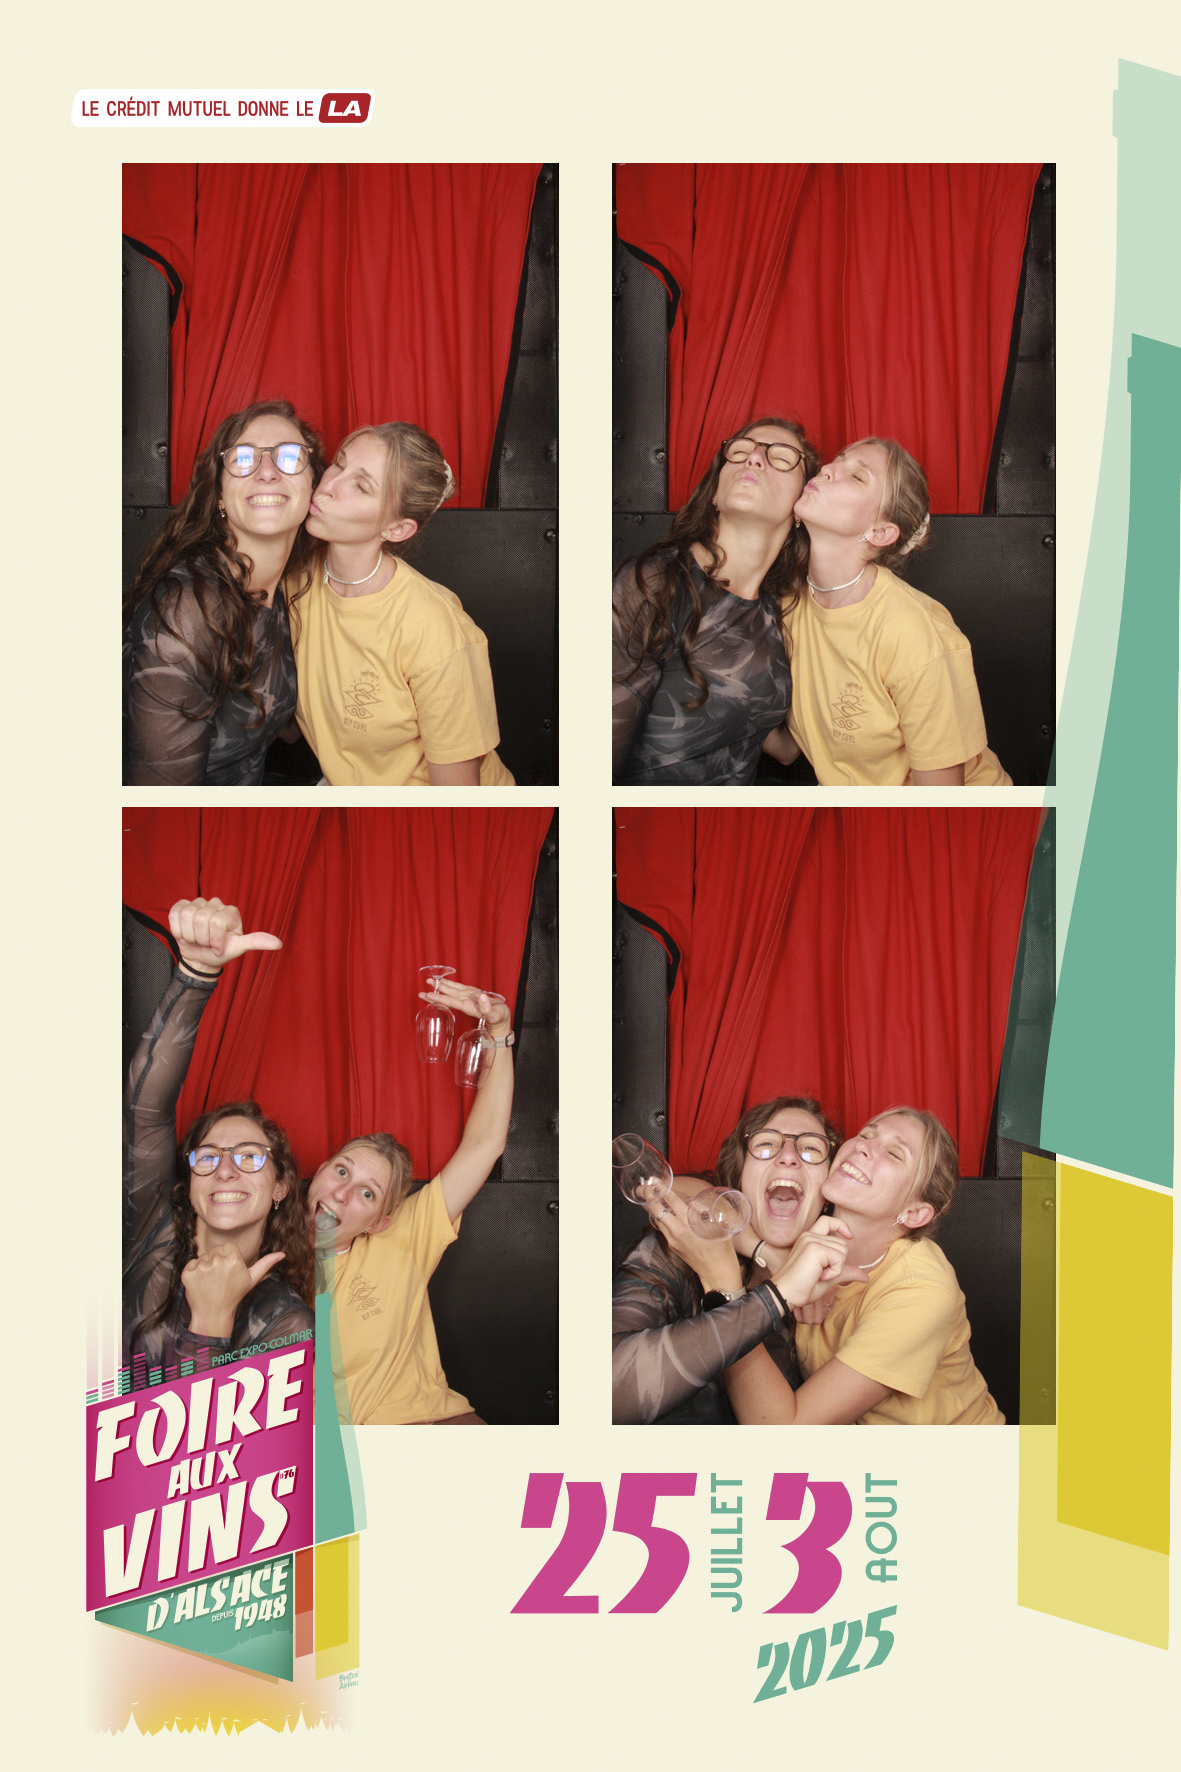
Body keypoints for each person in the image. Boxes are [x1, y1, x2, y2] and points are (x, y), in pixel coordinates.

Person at [307, 974, 516, 1424]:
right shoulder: (263, 1250)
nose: (341, 1193)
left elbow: (484, 1145)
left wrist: (498, 1033)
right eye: (341, 1170)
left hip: (432, 1427)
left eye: (367, 1193)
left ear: (380, 1221)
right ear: (320, 1169)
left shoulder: (402, 1235)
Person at [123, 897, 315, 1374]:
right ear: (190, 1184)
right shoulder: (152, 1231)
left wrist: (212, 1320)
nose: (225, 1169)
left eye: (249, 1156)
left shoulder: (288, 1323)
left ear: (280, 1186)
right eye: (207, 1157)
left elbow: (203, 1428)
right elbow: (145, 1109)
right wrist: (196, 973)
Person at [723, 1108, 1004, 1425]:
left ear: (914, 1213)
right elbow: (690, 1197)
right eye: (866, 1134)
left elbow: (780, 1431)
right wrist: (772, 1255)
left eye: (894, 1154)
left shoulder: (921, 1290)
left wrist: (725, 1292)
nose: (863, 1146)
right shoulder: (811, 1228)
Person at [764, 437, 1010, 786]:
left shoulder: (914, 632)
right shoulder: (790, 603)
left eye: (857, 476)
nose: (828, 469)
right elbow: (790, 748)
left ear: (879, 532)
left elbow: (942, 804)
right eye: (837, 460)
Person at [292, 422, 513, 785]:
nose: (328, 486)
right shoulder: (295, 582)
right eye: (338, 464)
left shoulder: (434, 627)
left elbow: (458, 799)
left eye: (361, 486)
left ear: (396, 529)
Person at [612, 1097, 851, 1424]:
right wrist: (759, 1269)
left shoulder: (837, 1289)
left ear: (828, 1191)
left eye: (811, 1149)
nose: (788, 1157)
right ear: (738, 1177)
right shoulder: (677, 1252)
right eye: (766, 1144)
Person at [124, 401, 324, 785]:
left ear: (313, 485)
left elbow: (283, 723)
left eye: (289, 456)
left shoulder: (290, 590)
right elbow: (162, 804)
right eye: (243, 459)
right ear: (218, 495)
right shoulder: (189, 610)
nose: (267, 471)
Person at [612, 417, 820, 785]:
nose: (754, 458)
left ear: (802, 504)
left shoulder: (783, 610)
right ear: (715, 493)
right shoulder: (655, 584)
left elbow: (783, 747)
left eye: (782, 457)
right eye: (739, 451)